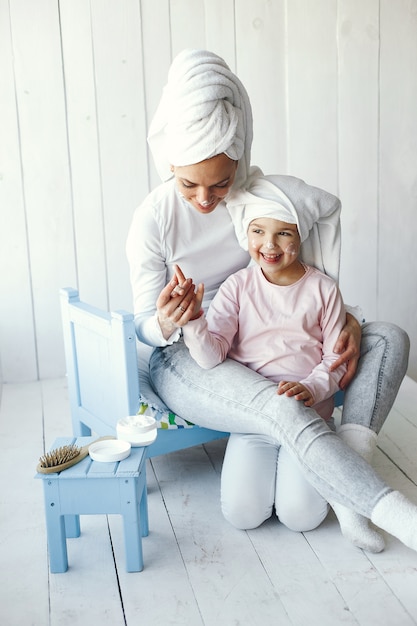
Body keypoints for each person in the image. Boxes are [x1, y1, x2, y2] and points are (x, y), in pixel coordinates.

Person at [126, 49, 414, 553]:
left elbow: (300, 278)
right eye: (188, 182)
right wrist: (167, 322)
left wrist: (346, 319)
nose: (205, 199)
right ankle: (392, 514)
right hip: (192, 355)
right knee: (281, 406)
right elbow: (141, 325)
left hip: (259, 341)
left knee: (387, 336)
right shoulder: (153, 219)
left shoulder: (258, 198)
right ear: (167, 161)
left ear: (239, 155)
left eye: (219, 182)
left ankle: (347, 459)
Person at [181, 175, 349, 536]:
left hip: (306, 416)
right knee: (242, 515)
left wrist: (312, 389)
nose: (269, 245)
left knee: (301, 517)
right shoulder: (238, 286)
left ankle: (325, 446)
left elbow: (336, 360)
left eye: (283, 233)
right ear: (247, 234)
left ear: (301, 235)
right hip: (254, 420)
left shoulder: (322, 289)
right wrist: (194, 320)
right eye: (258, 231)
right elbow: (212, 357)